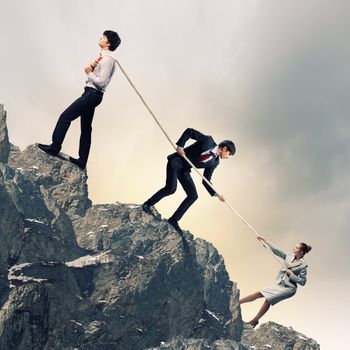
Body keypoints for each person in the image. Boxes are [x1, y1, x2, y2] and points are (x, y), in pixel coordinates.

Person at [38, 30, 121, 170]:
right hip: (92, 94)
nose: (100, 38)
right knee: (86, 128)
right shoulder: (104, 58)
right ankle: (82, 160)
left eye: (103, 37)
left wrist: (88, 72)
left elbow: (102, 82)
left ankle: (55, 147)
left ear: (108, 43)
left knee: (65, 116)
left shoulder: (107, 60)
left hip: (92, 94)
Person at [142, 128, 235, 233]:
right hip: (176, 162)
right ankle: (148, 204)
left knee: (193, 196)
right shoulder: (208, 141)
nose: (228, 157)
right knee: (171, 189)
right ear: (225, 149)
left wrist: (216, 194)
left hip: (185, 169)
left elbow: (206, 180)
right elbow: (190, 131)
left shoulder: (215, 162)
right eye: (229, 154)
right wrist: (180, 146)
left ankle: (173, 220)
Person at [240, 236, 312, 327]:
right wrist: (265, 241)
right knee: (259, 293)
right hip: (280, 285)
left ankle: (253, 321)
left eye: (296, 248)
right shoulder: (289, 256)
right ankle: (238, 302)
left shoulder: (303, 266)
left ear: (301, 252)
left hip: (289, 288)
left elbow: (302, 282)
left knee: (268, 300)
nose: (294, 248)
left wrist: (292, 275)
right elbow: (277, 251)